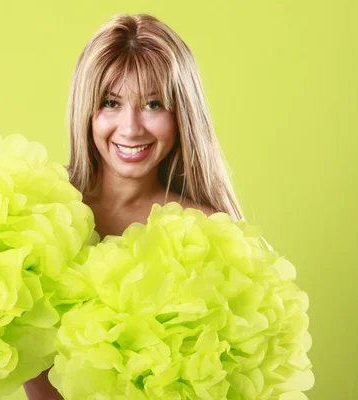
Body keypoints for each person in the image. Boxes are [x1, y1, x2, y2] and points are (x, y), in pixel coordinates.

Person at [23, 12, 244, 399]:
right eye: (111, 103)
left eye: (154, 104)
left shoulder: (208, 232)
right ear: (86, 110)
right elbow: (22, 354)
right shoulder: (40, 209)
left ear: (182, 115)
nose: (130, 128)